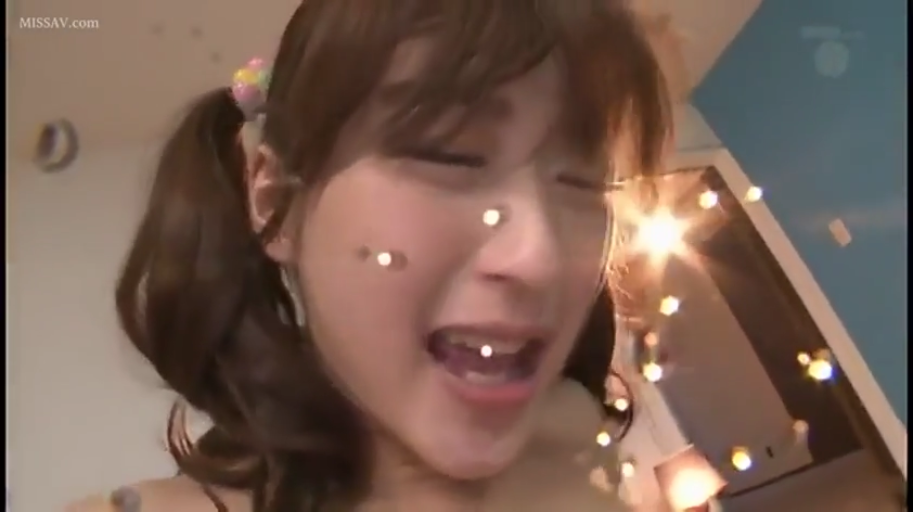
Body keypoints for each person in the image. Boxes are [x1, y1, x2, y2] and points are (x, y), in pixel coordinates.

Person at [68, 0, 670, 510]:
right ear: (278, 203)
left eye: (584, 182)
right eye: (451, 154)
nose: (539, 258)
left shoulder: (592, 467)